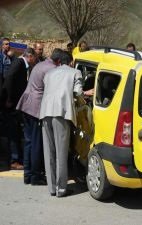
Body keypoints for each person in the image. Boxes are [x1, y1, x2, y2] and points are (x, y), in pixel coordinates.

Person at [16, 48, 63, 185]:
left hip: (26, 104)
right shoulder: (51, 69)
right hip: (35, 108)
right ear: (59, 61)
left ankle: (28, 174)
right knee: (36, 143)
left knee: (29, 141)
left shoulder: (40, 64)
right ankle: (36, 176)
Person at [40, 51, 82, 197]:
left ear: (59, 62)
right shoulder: (75, 72)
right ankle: (61, 189)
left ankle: (52, 188)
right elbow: (78, 92)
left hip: (45, 112)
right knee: (61, 152)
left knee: (49, 152)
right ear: (70, 62)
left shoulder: (49, 73)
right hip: (61, 113)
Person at [2, 48, 37, 170]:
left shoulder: (22, 65)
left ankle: (17, 158)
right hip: (11, 104)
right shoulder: (19, 63)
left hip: (16, 104)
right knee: (13, 131)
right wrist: (9, 99)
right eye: (35, 58)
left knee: (16, 131)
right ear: (30, 56)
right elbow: (9, 78)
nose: (35, 61)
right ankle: (14, 160)